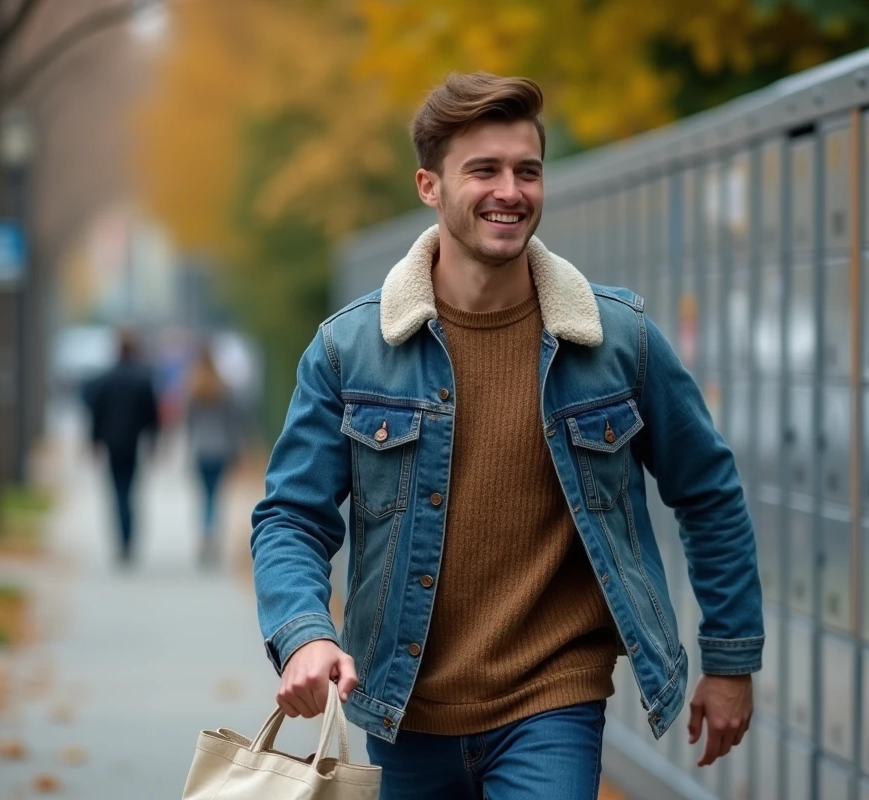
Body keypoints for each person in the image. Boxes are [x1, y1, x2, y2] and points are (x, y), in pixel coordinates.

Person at [250, 72, 763, 799]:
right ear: (429, 186)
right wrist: (306, 631)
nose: (510, 191)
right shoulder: (350, 351)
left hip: (553, 699)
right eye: (483, 170)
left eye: (527, 170)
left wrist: (731, 658)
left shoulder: (616, 340)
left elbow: (708, 491)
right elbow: (290, 517)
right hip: (404, 710)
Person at [84, 329, 160, 566]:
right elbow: (152, 415)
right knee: (130, 492)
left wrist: (94, 441)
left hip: (111, 444)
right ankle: (128, 540)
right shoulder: (142, 379)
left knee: (117, 492)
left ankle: (122, 541)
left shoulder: (105, 379)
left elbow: (95, 413)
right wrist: (153, 442)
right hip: (133, 443)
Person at [184, 343, 245, 566]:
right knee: (216, 495)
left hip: (201, 449)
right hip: (221, 449)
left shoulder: (193, 390)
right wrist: (236, 451)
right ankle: (212, 533)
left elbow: (189, 424)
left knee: (205, 496)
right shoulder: (223, 390)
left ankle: (206, 533)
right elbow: (232, 423)